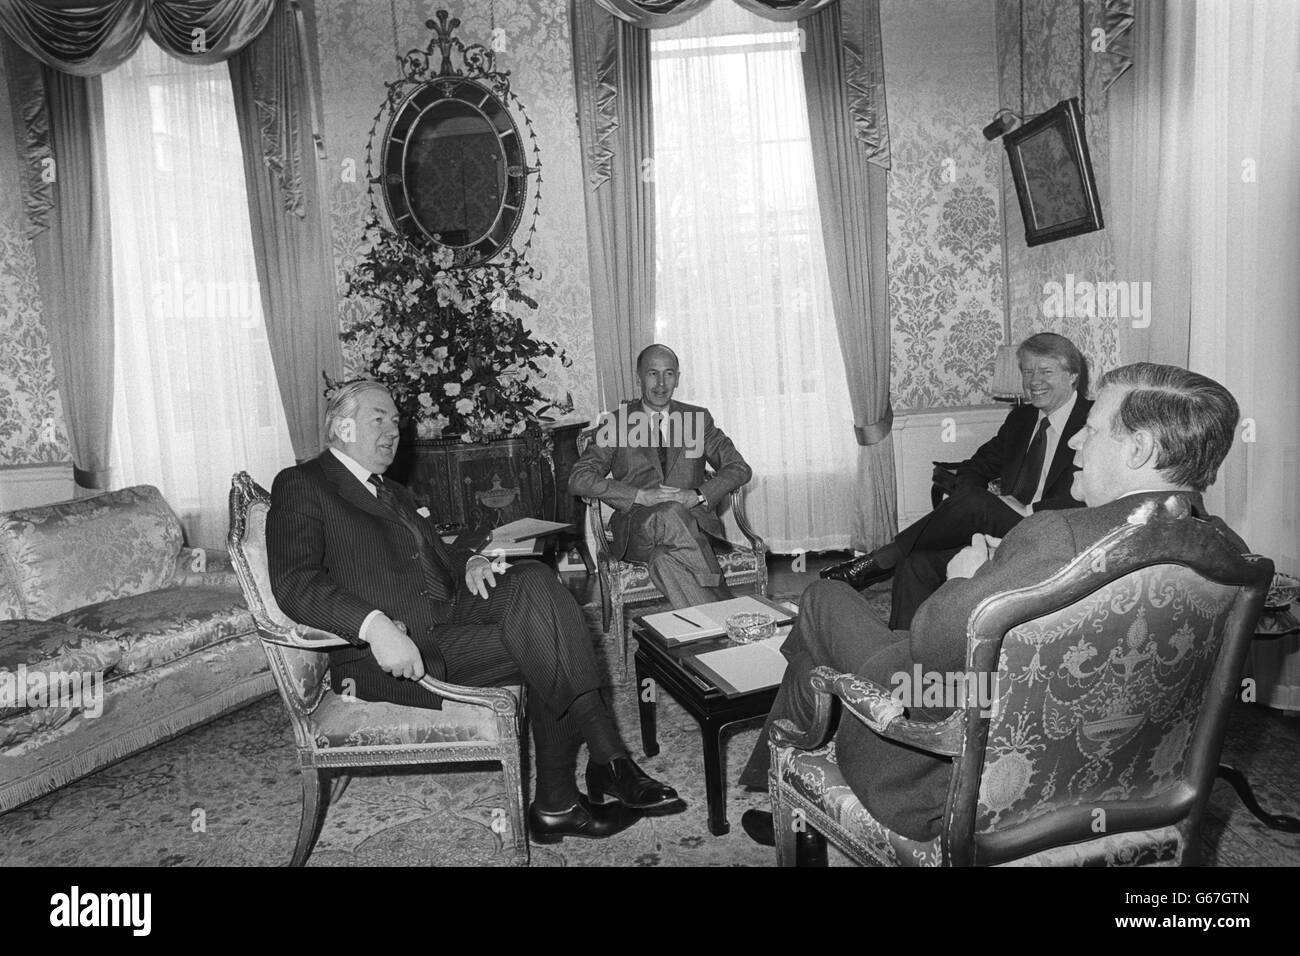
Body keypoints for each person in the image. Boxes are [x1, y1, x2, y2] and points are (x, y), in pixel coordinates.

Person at [738, 362, 1248, 852]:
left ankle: (789, 787)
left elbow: (933, 658)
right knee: (825, 645)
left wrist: (967, 578)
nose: (1074, 440)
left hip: (955, 784)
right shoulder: (1231, 556)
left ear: (1138, 449)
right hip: (1136, 785)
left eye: (1091, 430)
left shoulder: (1059, 535)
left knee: (822, 600)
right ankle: (785, 786)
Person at [266, 380, 685, 844]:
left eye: (396, 421)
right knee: (547, 640)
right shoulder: (302, 484)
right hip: (394, 651)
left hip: (449, 616)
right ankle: (588, 778)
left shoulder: (392, 491)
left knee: (535, 581)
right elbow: (294, 582)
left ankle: (579, 787)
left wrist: (473, 559)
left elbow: (440, 550)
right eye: (378, 419)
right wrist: (374, 625)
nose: (394, 431)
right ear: (342, 427)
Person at [821, 333, 1092, 629]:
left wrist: (1024, 510)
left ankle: (879, 561)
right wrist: (980, 510)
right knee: (917, 564)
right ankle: (906, 654)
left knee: (977, 503)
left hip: (1051, 534)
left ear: (1073, 376)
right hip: (1004, 532)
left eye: (1046, 371)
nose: (1034, 380)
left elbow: (1089, 495)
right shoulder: (1022, 419)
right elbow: (975, 467)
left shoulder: (1091, 421)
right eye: (1027, 371)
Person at [569, 344, 752, 608]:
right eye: (653, 373)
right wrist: (639, 496)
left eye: (668, 374)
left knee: (662, 560)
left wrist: (698, 496)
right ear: (638, 376)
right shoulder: (617, 424)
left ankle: (713, 633)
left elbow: (739, 468)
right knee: (669, 513)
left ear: (677, 377)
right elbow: (579, 478)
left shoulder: (696, 419)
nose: (661, 383)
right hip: (638, 529)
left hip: (696, 528)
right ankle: (729, 607)